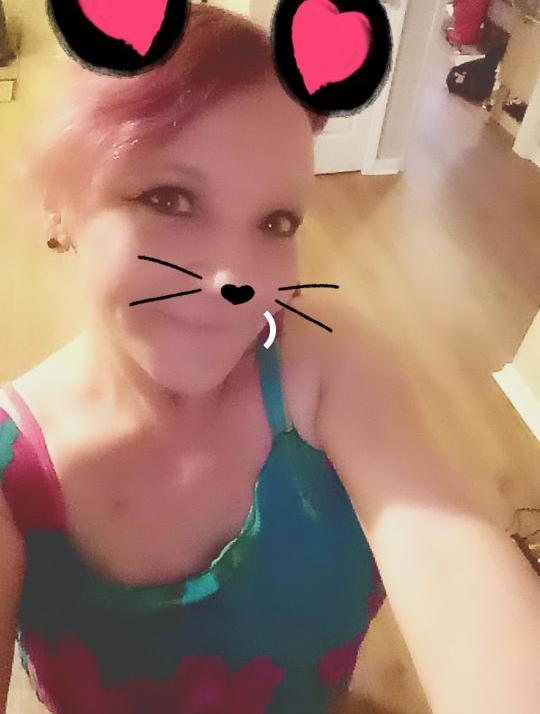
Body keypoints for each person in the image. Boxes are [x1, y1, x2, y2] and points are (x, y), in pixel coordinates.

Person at [1, 4, 540, 714]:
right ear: (58, 202)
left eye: (276, 222)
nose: (237, 278)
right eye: (170, 198)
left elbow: (450, 559)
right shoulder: (12, 468)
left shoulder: (323, 368)